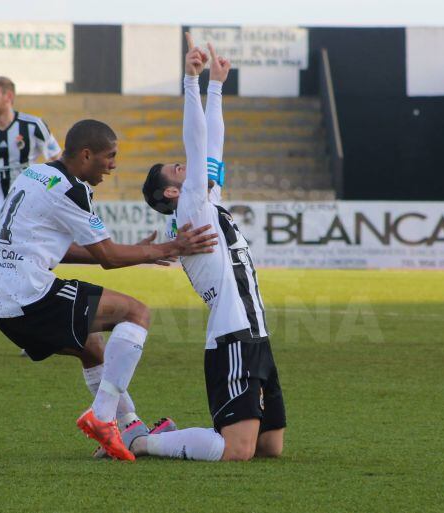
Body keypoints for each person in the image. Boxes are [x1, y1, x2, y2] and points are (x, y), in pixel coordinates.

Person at [0, 118, 217, 461]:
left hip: (2, 301)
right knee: (136, 313)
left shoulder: (36, 174)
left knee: (92, 345)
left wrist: (136, 251)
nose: (113, 165)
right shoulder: (71, 190)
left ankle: (130, 427)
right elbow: (107, 256)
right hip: (28, 293)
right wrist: (168, 248)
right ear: (87, 155)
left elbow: (59, 248)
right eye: (110, 156)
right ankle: (103, 417)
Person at [136, 35, 285, 461]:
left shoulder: (207, 202)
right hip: (232, 336)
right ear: (171, 190)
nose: (191, 166)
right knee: (237, 452)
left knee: (269, 449)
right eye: (179, 168)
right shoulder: (190, 209)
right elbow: (198, 141)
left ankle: (168, 433)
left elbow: (212, 146)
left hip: (256, 332)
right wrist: (192, 81)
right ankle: (144, 441)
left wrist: (217, 85)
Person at [0, 76, 61, 229]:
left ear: (8, 96)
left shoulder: (34, 126)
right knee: (1, 251)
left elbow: (58, 161)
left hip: (29, 204)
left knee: (28, 250)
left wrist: (49, 188)